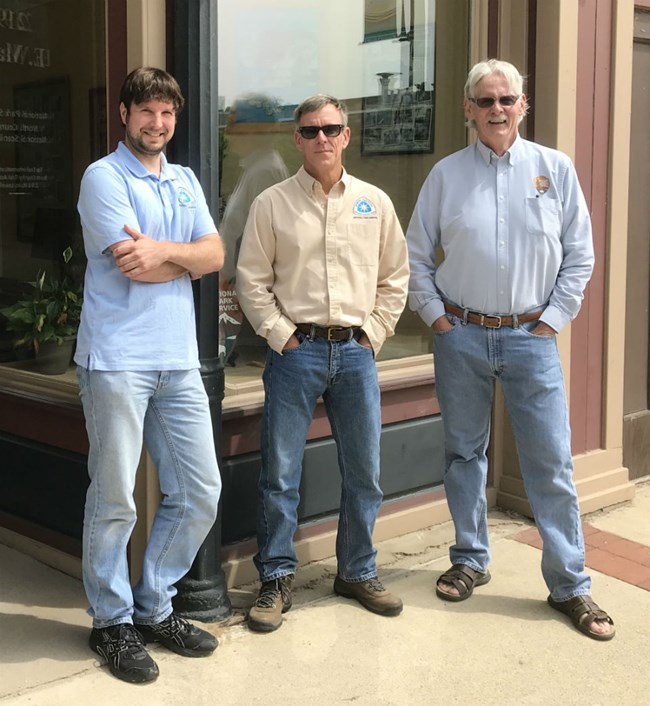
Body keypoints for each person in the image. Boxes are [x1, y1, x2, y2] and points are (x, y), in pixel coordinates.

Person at [406, 59, 615, 641]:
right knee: (463, 454)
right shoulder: (446, 176)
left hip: (531, 338)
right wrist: (437, 320)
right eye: (486, 100)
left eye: (507, 99)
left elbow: (581, 254)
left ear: (523, 105)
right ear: (469, 109)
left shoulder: (555, 169)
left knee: (550, 462)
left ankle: (570, 585)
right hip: (462, 336)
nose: (497, 109)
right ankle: (471, 558)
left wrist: (552, 322)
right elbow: (415, 255)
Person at [236, 94, 409, 632]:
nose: (321, 139)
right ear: (297, 139)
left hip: (356, 354)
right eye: (310, 131)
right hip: (297, 352)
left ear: (347, 134)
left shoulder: (375, 203)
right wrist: (283, 337)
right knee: (280, 474)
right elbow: (251, 281)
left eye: (331, 129)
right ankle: (277, 578)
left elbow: (395, 277)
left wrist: (373, 335)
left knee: (365, 473)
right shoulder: (272, 203)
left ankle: (357, 570)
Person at [75, 67, 224, 683]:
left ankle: (154, 604)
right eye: (146, 112)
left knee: (199, 491)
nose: (157, 124)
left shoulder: (185, 180)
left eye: (167, 114)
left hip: (178, 360)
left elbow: (214, 256)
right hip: (116, 361)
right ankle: (110, 624)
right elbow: (129, 266)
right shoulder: (103, 178)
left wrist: (166, 252)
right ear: (124, 113)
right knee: (115, 500)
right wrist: (181, 259)